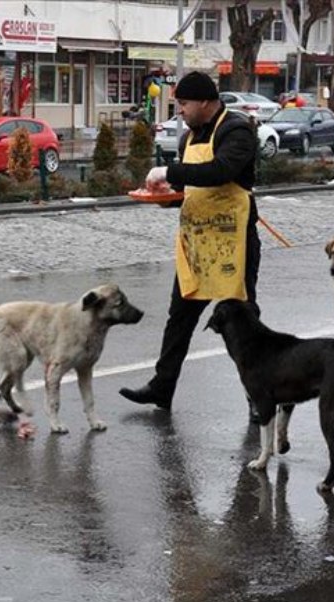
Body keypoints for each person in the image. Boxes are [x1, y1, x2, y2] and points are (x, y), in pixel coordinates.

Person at [119, 70, 262, 418]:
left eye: (183, 104)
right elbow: (192, 191)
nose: (179, 111)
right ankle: (162, 387)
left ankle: (259, 395)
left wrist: (170, 172)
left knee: (240, 321)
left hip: (233, 242)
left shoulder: (237, 130)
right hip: (197, 242)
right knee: (179, 318)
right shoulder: (189, 138)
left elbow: (221, 171)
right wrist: (165, 196)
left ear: (204, 102)